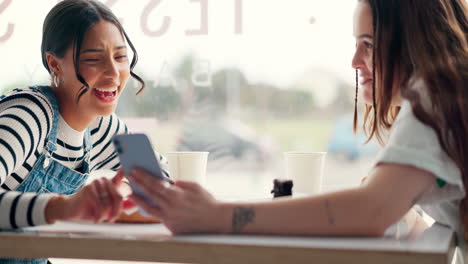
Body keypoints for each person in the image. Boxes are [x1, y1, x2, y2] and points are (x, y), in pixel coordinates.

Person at [128, 0, 468, 249]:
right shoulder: (449, 89)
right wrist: (398, 202)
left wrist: (214, 215)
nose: (354, 61)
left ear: (412, 42)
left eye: (368, 44)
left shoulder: (434, 92)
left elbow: (370, 210)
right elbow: (380, 206)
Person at [0, 0, 168, 262]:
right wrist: (62, 208)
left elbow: (158, 181)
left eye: (121, 57)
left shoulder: (101, 125)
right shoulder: (30, 114)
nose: (114, 73)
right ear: (54, 64)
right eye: (94, 59)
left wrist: (121, 192)